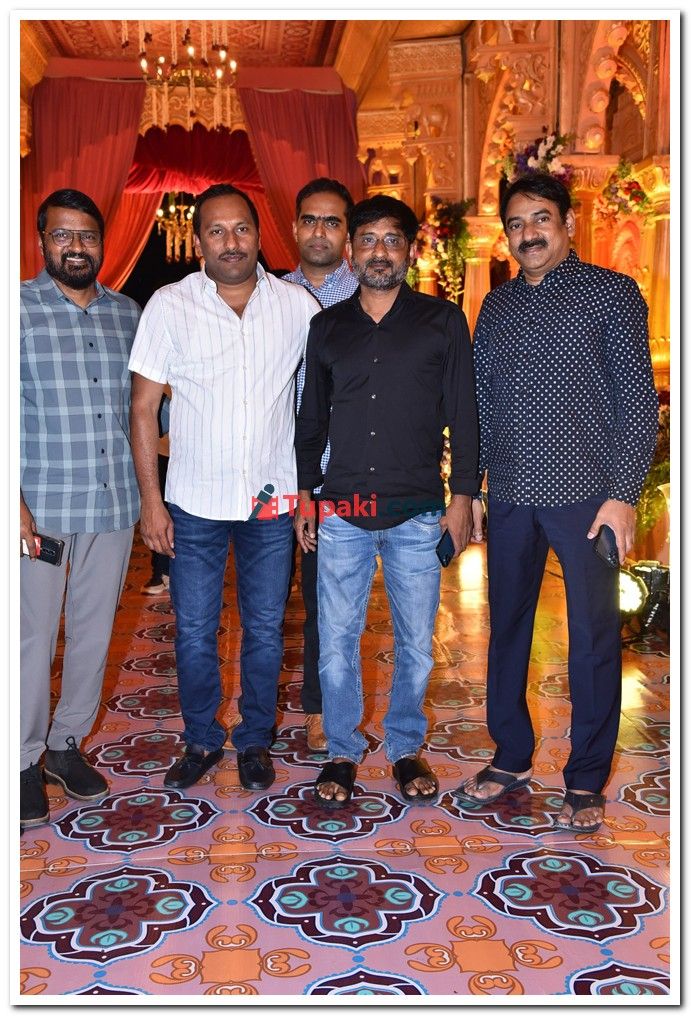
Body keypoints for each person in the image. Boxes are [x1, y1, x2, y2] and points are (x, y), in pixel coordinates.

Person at [456, 172, 658, 833]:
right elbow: (481, 405)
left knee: (593, 637)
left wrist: (622, 496)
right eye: (516, 224)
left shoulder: (610, 293)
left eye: (540, 218)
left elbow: (637, 403)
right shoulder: (497, 306)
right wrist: (475, 488)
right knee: (507, 628)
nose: (528, 234)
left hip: (587, 497)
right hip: (513, 494)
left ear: (567, 223)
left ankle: (585, 778)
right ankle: (510, 756)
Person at [129, 184, 319, 792]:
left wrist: (309, 493)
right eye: (216, 231)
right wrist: (151, 501)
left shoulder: (297, 307)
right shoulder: (169, 305)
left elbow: (320, 400)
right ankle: (202, 738)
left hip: (271, 503)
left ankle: (255, 740)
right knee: (193, 630)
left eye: (241, 229)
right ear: (198, 240)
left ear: (260, 235)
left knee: (265, 628)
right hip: (193, 502)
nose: (230, 242)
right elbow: (142, 408)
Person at [295, 194, 479, 808]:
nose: (379, 251)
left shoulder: (442, 322)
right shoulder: (326, 328)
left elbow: (465, 416)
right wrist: (305, 495)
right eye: (368, 240)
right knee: (336, 641)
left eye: (392, 240)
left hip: (417, 512)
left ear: (409, 250)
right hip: (342, 511)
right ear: (352, 250)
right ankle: (342, 750)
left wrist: (463, 497)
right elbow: (311, 420)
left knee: (417, 644)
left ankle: (404, 747)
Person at [20, 188, 141, 828]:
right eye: (63, 235)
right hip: (37, 508)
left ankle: (65, 746)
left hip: (112, 502)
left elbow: (148, 410)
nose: (76, 246)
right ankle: (20, 759)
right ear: (42, 240)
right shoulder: (15, 309)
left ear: (102, 243)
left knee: (94, 632)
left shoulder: (128, 314)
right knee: (30, 636)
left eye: (87, 236)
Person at [283, 177, 358, 751]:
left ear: (348, 235)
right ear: (294, 227)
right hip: (269, 474)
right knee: (263, 606)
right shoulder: (269, 294)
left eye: (332, 222)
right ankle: (254, 719)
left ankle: (319, 706)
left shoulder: (369, 297)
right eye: (310, 219)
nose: (319, 231)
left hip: (335, 478)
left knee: (325, 602)